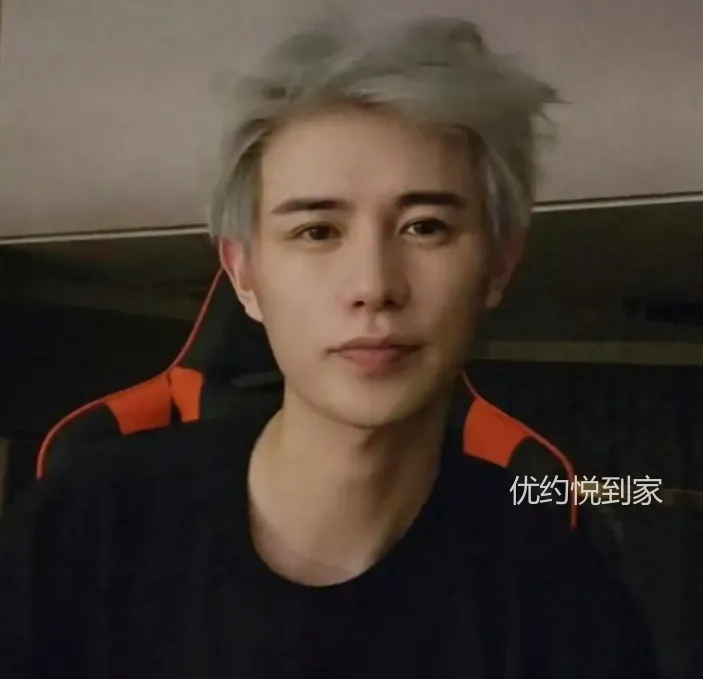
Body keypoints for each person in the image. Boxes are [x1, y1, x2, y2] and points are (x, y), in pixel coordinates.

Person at [0, 16, 660, 679]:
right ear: (243, 275)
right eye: (317, 231)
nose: (373, 286)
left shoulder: (564, 599)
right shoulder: (77, 532)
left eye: (425, 227)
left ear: (498, 265)